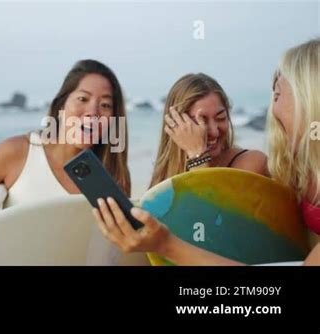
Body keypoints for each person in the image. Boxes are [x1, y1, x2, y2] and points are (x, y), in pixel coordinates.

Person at [92, 38, 320, 265]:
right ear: (175, 126)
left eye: (220, 118)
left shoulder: (252, 163)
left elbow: (216, 239)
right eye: (199, 121)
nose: (211, 130)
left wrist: (198, 156)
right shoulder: (166, 174)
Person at [0, 59, 131, 250]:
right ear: (62, 105)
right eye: (83, 99)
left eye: (105, 105)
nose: (93, 112)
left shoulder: (112, 176)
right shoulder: (16, 153)